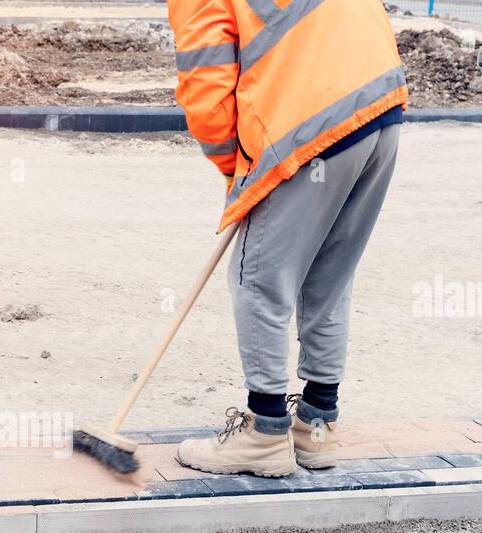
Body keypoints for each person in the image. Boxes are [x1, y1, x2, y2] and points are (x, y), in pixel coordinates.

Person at [166, 0, 408, 477]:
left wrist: (238, 172)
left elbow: (206, 81)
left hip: (308, 123)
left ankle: (265, 433)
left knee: (258, 280)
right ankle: (317, 428)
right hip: (380, 109)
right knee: (329, 276)